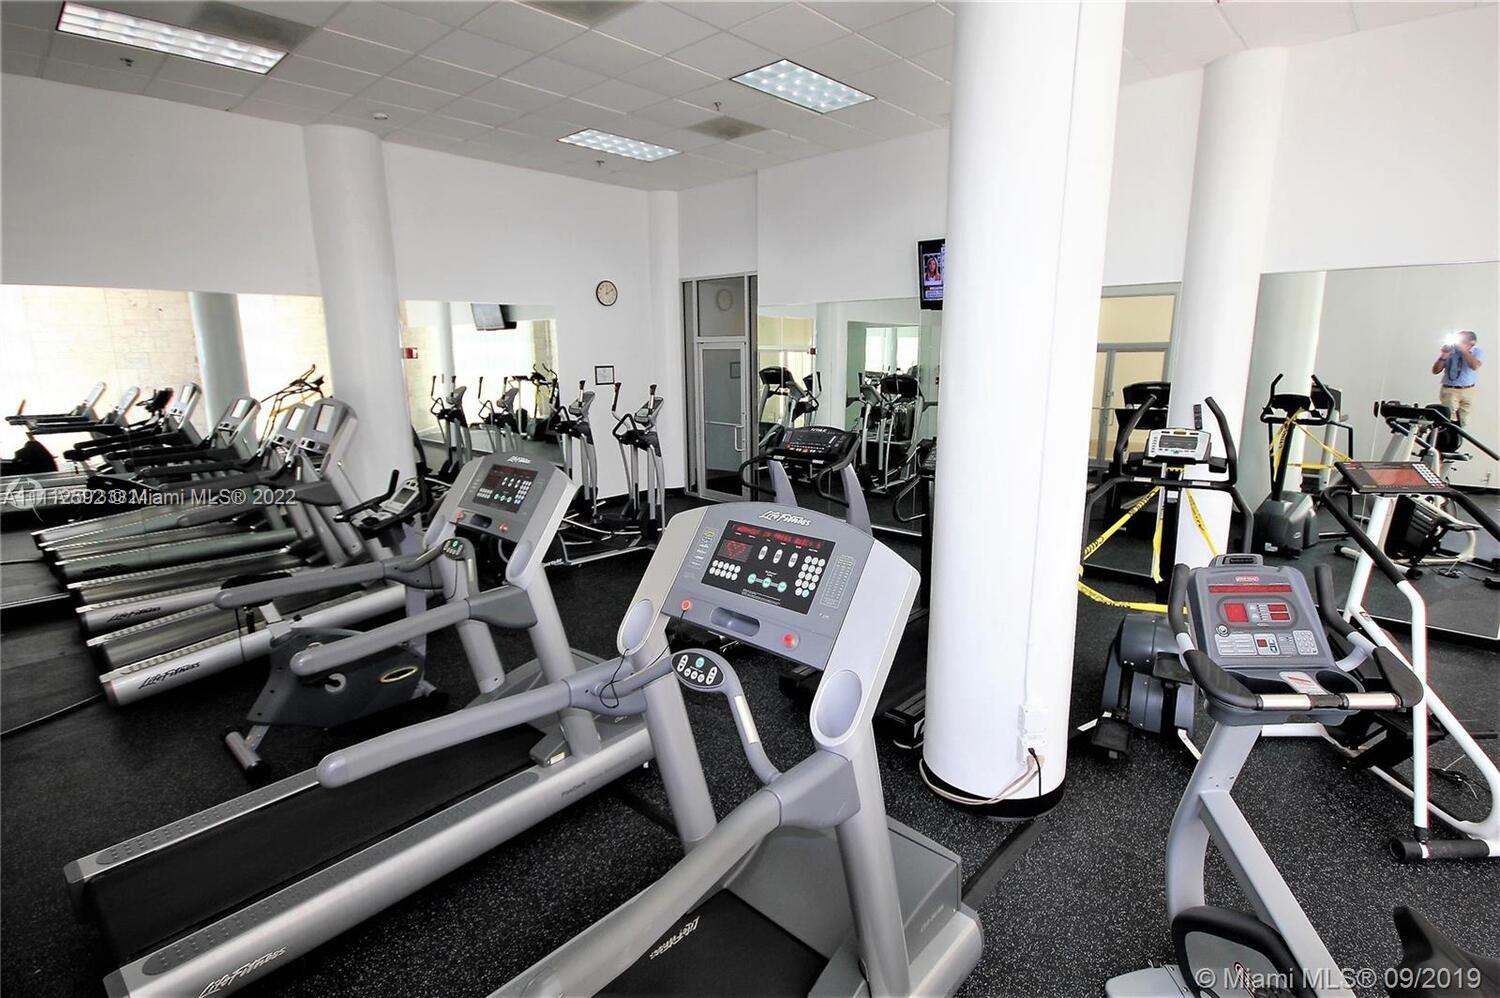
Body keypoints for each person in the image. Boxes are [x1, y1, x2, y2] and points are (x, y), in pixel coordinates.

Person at [1431, 330, 1483, 425]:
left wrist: (1464, 351)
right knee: (1448, 418)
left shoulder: (1476, 351)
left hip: (1469, 390)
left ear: (1471, 343)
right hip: (1450, 390)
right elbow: (1435, 371)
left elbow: (1474, 366)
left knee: (1464, 421)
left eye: (1462, 340)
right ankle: (1446, 434)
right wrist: (1444, 355)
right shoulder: (1450, 351)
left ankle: (1458, 433)